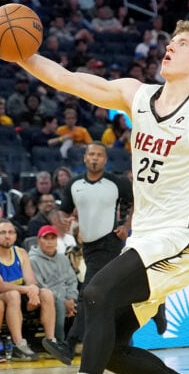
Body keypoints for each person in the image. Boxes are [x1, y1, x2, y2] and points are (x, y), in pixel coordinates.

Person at [8, 18, 189, 374]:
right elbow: (66, 79)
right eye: (169, 41)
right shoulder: (135, 95)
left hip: (180, 241)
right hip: (144, 240)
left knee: (95, 292)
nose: (168, 48)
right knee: (115, 348)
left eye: (179, 44)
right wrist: (20, 54)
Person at [55, 142, 134, 359]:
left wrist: (125, 226)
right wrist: (68, 224)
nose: (94, 158)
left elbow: (133, 201)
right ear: (84, 158)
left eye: (99, 155)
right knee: (108, 295)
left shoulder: (116, 182)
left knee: (88, 293)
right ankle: (153, 312)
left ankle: (69, 346)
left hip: (109, 243)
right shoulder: (74, 184)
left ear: (105, 160)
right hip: (87, 247)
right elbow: (63, 212)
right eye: (91, 154)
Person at [0, 220, 68, 363]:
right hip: (1, 296)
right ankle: (19, 345)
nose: (7, 236)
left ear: (16, 236)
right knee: (13, 294)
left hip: (21, 293)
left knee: (46, 293)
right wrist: (28, 289)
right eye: (2, 232)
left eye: (11, 232)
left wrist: (34, 290)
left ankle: (50, 342)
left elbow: (31, 280)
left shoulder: (21, 252)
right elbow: (0, 285)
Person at [27, 225, 80, 360]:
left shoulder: (63, 259)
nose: (50, 242)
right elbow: (38, 285)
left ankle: (79, 341)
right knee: (58, 302)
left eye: (53, 238)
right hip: (46, 297)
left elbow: (72, 280)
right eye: (46, 238)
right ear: (39, 241)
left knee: (88, 300)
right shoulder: (32, 260)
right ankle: (59, 343)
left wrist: (71, 297)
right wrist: (63, 299)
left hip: (66, 296)